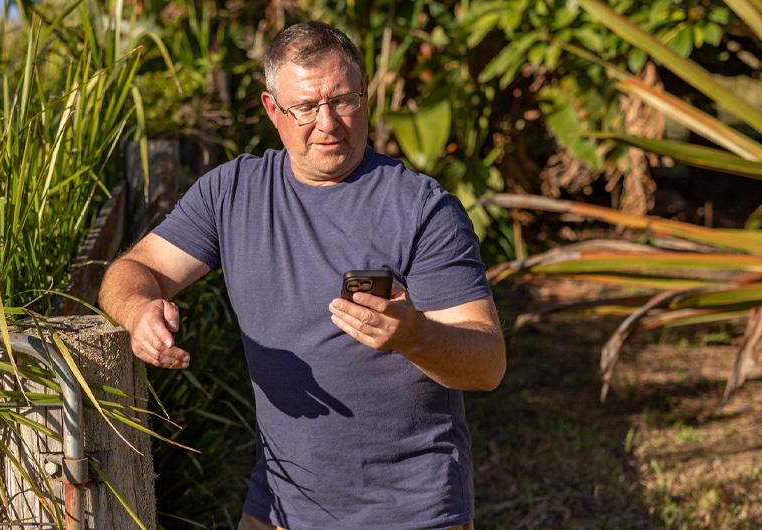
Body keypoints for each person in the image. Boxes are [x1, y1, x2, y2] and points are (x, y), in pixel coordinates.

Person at [98, 20, 505, 530]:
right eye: (307, 107)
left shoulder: (423, 208)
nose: (329, 123)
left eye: (343, 100)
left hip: (410, 510)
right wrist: (138, 310)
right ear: (274, 110)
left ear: (365, 96)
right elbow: (134, 269)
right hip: (278, 503)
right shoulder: (232, 192)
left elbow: (486, 362)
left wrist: (415, 335)